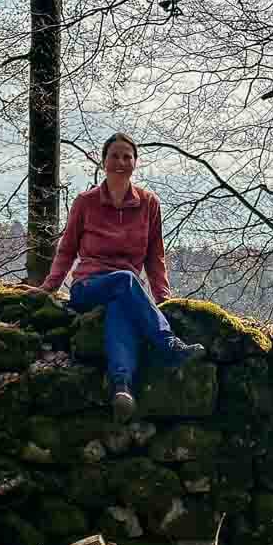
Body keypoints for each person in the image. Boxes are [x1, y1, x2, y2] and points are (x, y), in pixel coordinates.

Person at [28, 132, 205, 423]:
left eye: (127, 156)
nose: (121, 161)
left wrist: (163, 298)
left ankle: (122, 388)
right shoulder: (86, 202)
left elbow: (154, 257)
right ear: (103, 161)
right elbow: (67, 250)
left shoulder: (149, 204)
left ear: (135, 162)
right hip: (89, 287)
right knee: (124, 280)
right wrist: (49, 287)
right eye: (115, 156)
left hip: (125, 290)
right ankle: (168, 344)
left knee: (120, 309)